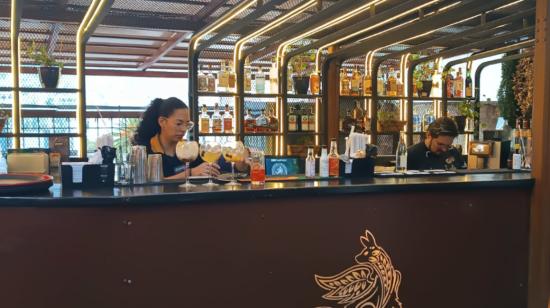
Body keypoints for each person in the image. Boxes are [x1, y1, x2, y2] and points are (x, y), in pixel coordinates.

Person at [133, 97, 247, 179]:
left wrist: (239, 166)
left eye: (187, 124)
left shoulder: (190, 148)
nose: (184, 129)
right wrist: (191, 173)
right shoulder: (145, 149)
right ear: (162, 121)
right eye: (178, 124)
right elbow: (152, 184)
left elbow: (215, 167)